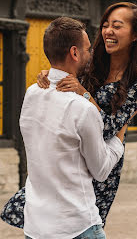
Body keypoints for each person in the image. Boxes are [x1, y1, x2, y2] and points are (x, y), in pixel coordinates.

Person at [1, 2, 137, 229]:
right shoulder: (91, 62)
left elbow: (110, 129)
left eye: (117, 26)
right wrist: (49, 75)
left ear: (136, 35)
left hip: (101, 159)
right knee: (45, 214)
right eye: (106, 25)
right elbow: (64, 76)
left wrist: (85, 94)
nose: (108, 31)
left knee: (82, 224)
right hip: (68, 151)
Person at [19, 17, 126, 239]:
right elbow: (101, 170)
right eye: (88, 49)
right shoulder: (83, 109)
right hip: (76, 228)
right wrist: (119, 134)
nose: (92, 53)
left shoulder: (31, 94)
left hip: (35, 227)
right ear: (75, 53)